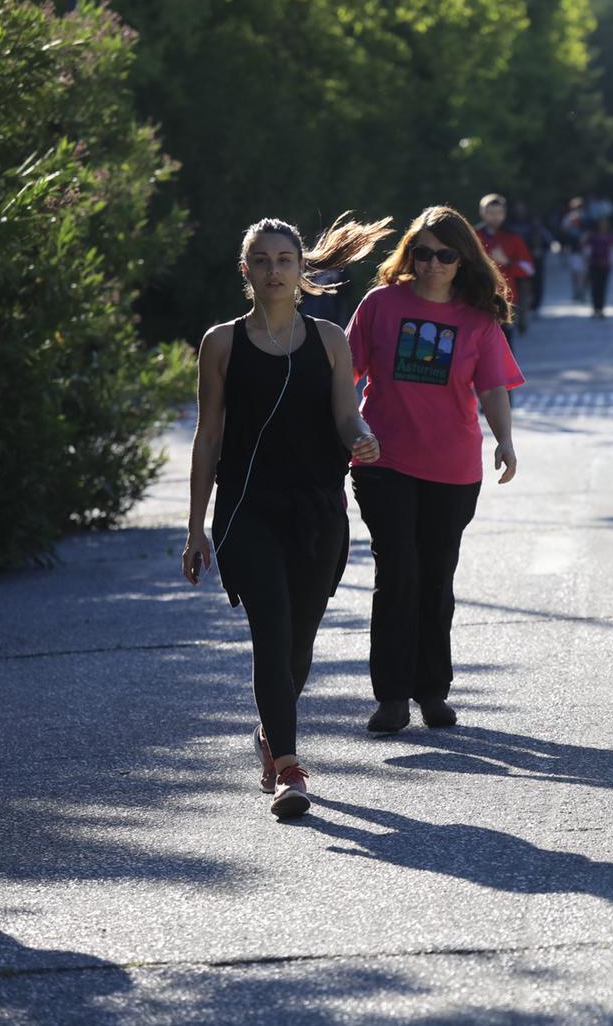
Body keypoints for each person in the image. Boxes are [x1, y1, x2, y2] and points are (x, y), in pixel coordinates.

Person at [183, 212, 392, 818]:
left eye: (285, 260)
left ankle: (270, 734)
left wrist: (363, 435)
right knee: (271, 634)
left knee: (298, 645)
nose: (274, 271)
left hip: (317, 510)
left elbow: (346, 415)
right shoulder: (221, 343)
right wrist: (196, 527)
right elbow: (207, 438)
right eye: (262, 260)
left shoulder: (329, 340)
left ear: (302, 271)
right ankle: (288, 768)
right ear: (244, 269)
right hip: (247, 510)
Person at [347, 205, 525, 734]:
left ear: (462, 259)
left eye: (445, 255)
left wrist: (506, 440)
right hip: (385, 459)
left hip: (452, 467)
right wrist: (348, 431)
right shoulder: (380, 304)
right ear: (409, 255)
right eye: (421, 253)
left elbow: (492, 387)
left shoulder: (477, 317)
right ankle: (392, 697)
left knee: (435, 579)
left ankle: (432, 691)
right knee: (397, 571)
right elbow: (345, 372)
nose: (431, 264)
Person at [475, 194, 535, 340]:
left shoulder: (512, 237)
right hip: (477, 297)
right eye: (491, 213)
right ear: (482, 213)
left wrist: (507, 262)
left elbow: (529, 269)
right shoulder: (472, 236)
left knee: (505, 345)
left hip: (505, 299)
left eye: (499, 213)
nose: (495, 217)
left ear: (505, 214)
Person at [585, 216, 613, 318]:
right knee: (595, 287)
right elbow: (585, 246)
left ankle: (601, 308)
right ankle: (595, 308)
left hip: (605, 264)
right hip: (594, 263)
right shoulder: (592, 235)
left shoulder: (609, 236)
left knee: (603, 287)